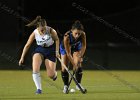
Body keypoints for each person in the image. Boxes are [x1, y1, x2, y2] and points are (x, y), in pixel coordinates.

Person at [19, 16, 60, 94]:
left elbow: (57, 40)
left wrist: (57, 52)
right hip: (40, 50)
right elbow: (27, 45)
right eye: (42, 30)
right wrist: (22, 57)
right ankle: (39, 89)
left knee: (51, 75)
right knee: (35, 68)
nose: (44, 31)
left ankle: (54, 75)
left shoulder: (51, 31)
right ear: (37, 28)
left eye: (44, 29)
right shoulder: (35, 33)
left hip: (50, 50)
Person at [60, 20, 86, 93]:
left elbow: (84, 46)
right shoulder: (66, 37)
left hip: (76, 47)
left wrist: (80, 56)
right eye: (76, 33)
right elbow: (68, 53)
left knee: (78, 63)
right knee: (64, 67)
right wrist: (73, 64)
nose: (77, 35)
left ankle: (78, 85)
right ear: (72, 31)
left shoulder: (83, 34)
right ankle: (65, 86)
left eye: (79, 33)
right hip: (65, 49)